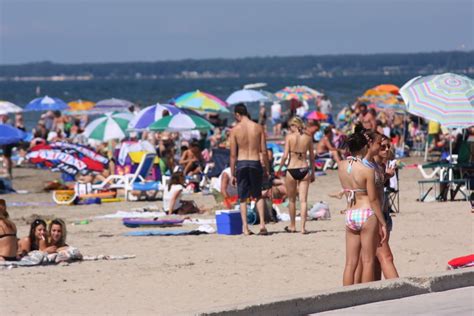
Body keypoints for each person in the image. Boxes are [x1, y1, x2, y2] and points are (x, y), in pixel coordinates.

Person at [337, 125, 387, 285]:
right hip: (366, 213)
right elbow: (373, 199)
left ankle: (345, 297)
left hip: (351, 213)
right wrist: (383, 222)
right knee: (367, 261)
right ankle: (366, 297)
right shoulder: (367, 170)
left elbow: (347, 191)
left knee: (350, 263)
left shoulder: (341, 166)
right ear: (365, 147)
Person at [230, 103, 270, 235]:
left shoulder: (235, 130)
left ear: (237, 114)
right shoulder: (258, 127)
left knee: (243, 198)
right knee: (258, 195)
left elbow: (233, 155)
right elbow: (264, 151)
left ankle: (245, 228)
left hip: (241, 163)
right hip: (254, 161)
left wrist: (232, 173)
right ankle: (262, 225)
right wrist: (267, 169)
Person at [278, 117, 315, 234]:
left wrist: (279, 168)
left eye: (290, 126)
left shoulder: (289, 137)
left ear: (294, 126)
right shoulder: (308, 137)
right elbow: (312, 158)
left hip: (292, 168)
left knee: (292, 200)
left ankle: (293, 226)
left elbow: (284, 156)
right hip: (304, 168)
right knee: (303, 201)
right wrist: (313, 172)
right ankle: (303, 228)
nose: (290, 129)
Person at [373, 136, 399, 280]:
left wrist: (387, 177)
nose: (387, 149)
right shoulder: (371, 167)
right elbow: (370, 195)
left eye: (388, 146)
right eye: (383, 146)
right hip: (376, 217)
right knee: (386, 257)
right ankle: (400, 293)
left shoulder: (382, 166)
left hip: (384, 215)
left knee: (378, 260)